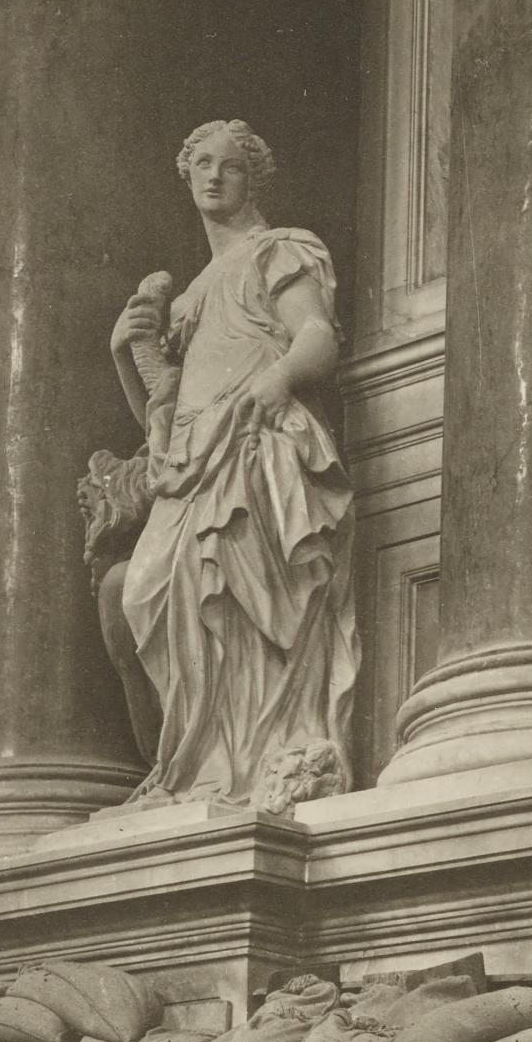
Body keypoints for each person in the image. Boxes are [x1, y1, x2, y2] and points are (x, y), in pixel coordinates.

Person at [106, 121, 359, 811]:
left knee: (246, 591)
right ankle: (198, 763)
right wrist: (125, 354)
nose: (214, 177)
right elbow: (161, 411)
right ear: (186, 177)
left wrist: (281, 376)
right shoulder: (189, 295)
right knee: (146, 591)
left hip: (257, 442)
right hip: (194, 460)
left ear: (255, 179)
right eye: (202, 166)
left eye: (231, 166)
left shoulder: (279, 249)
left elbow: (317, 334)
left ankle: (258, 759)